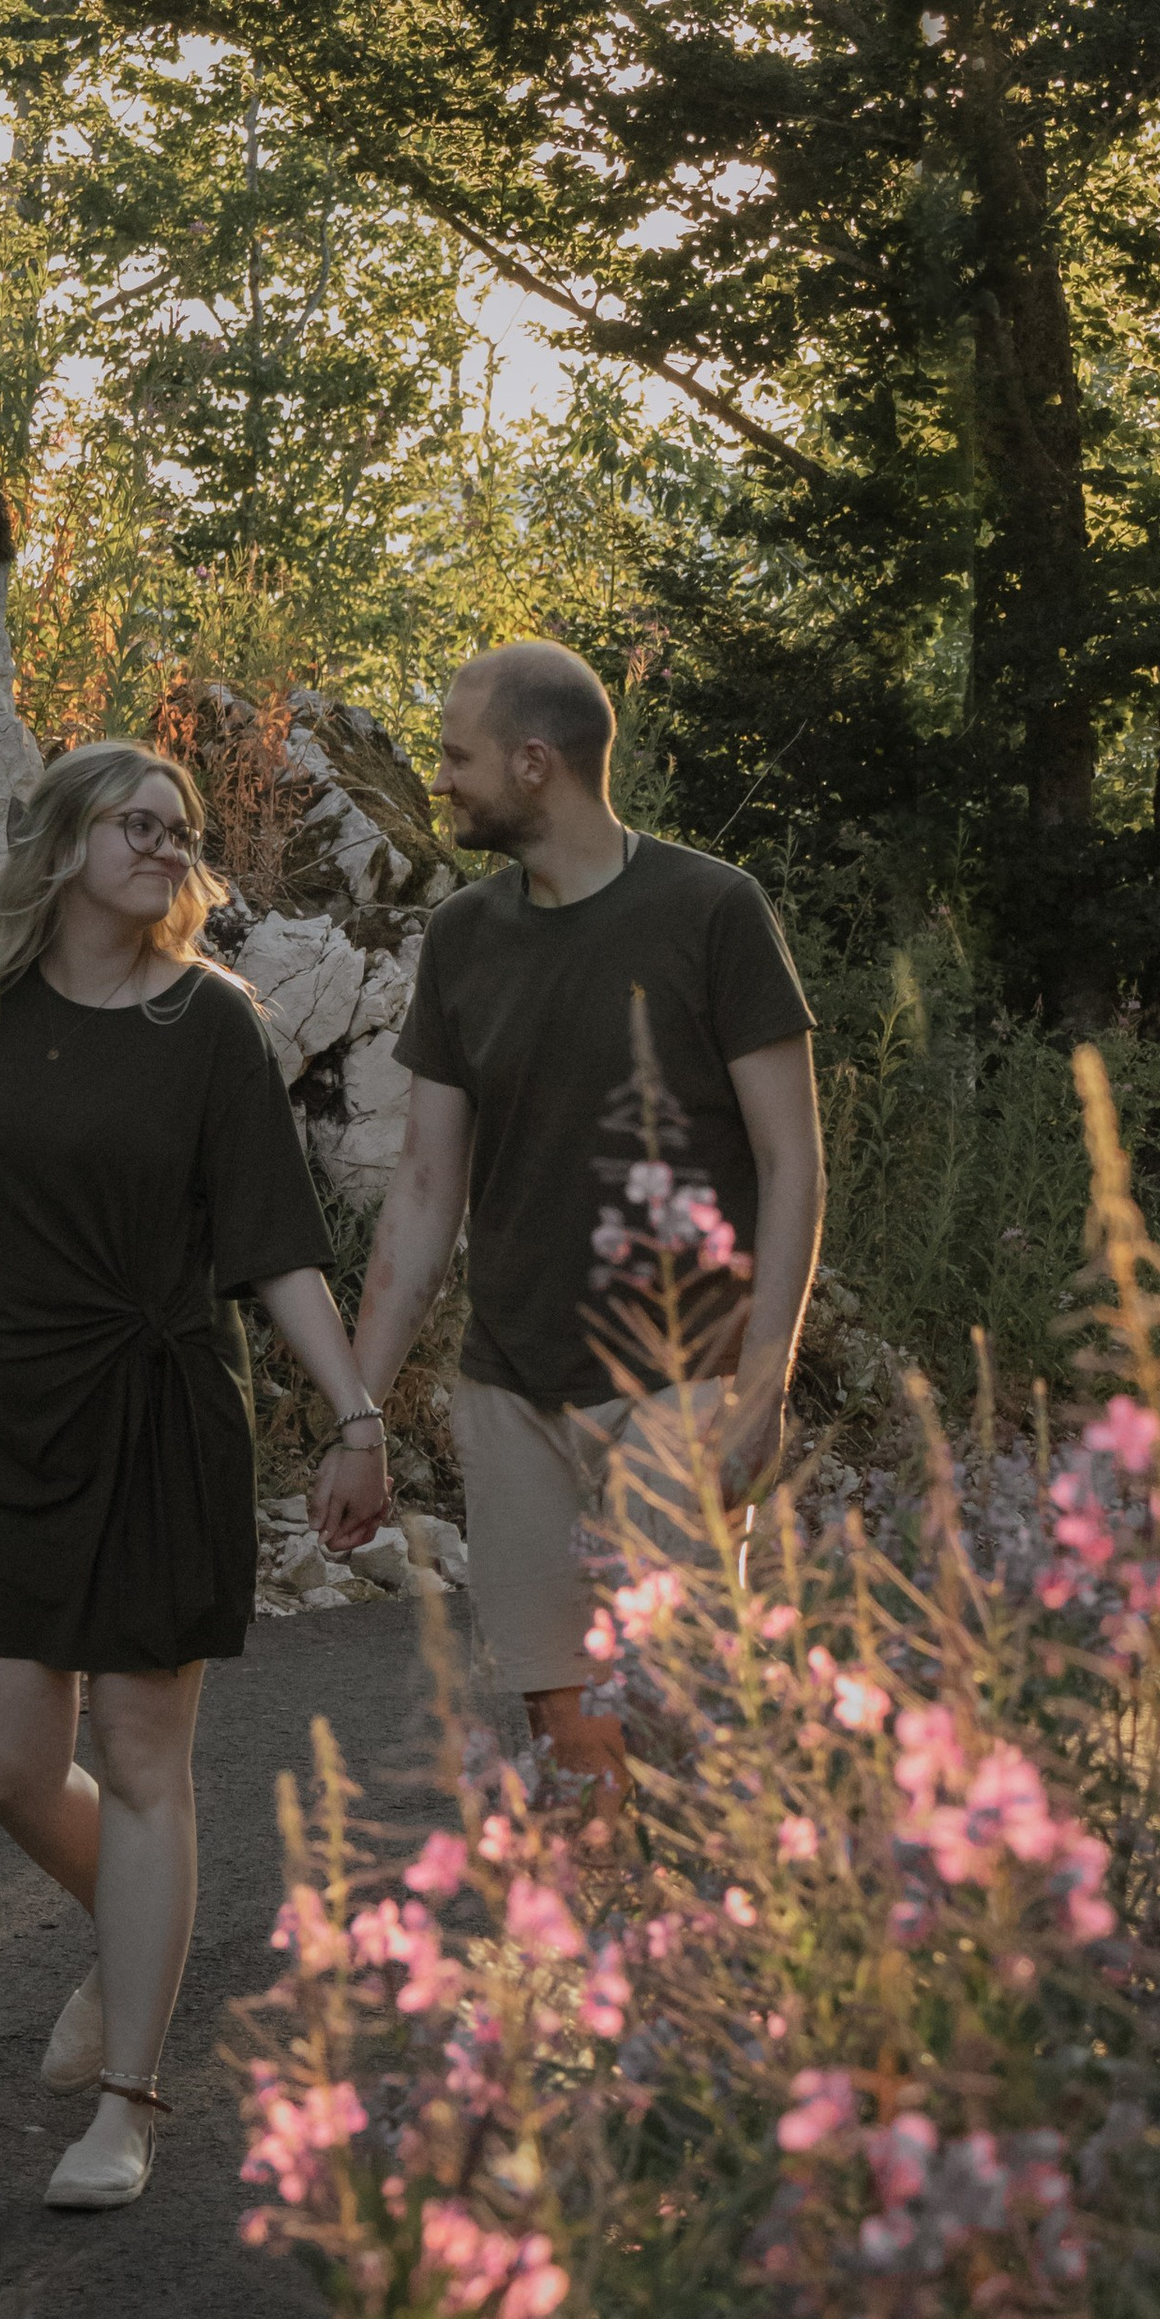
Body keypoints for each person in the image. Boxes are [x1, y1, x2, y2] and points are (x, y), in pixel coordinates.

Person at [0, 737, 388, 2214]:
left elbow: (275, 1246)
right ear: (63, 844)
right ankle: (130, 1934)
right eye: (138, 824)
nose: (166, 849)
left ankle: (129, 2100)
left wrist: (355, 1416)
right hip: (14, 1416)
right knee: (6, 1759)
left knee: (146, 1762)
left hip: (161, 1409)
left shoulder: (213, 1026)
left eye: (181, 834)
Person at [314, 640, 823, 1793]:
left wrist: (762, 1385)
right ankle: (594, 1957)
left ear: (533, 762)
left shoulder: (712, 910)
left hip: (681, 1384)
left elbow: (791, 1161)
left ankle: (730, 1952)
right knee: (571, 1734)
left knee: (679, 1716)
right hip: (512, 1392)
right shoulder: (462, 937)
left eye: (457, 755)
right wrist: (359, 1411)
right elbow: (425, 1187)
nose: (440, 779)